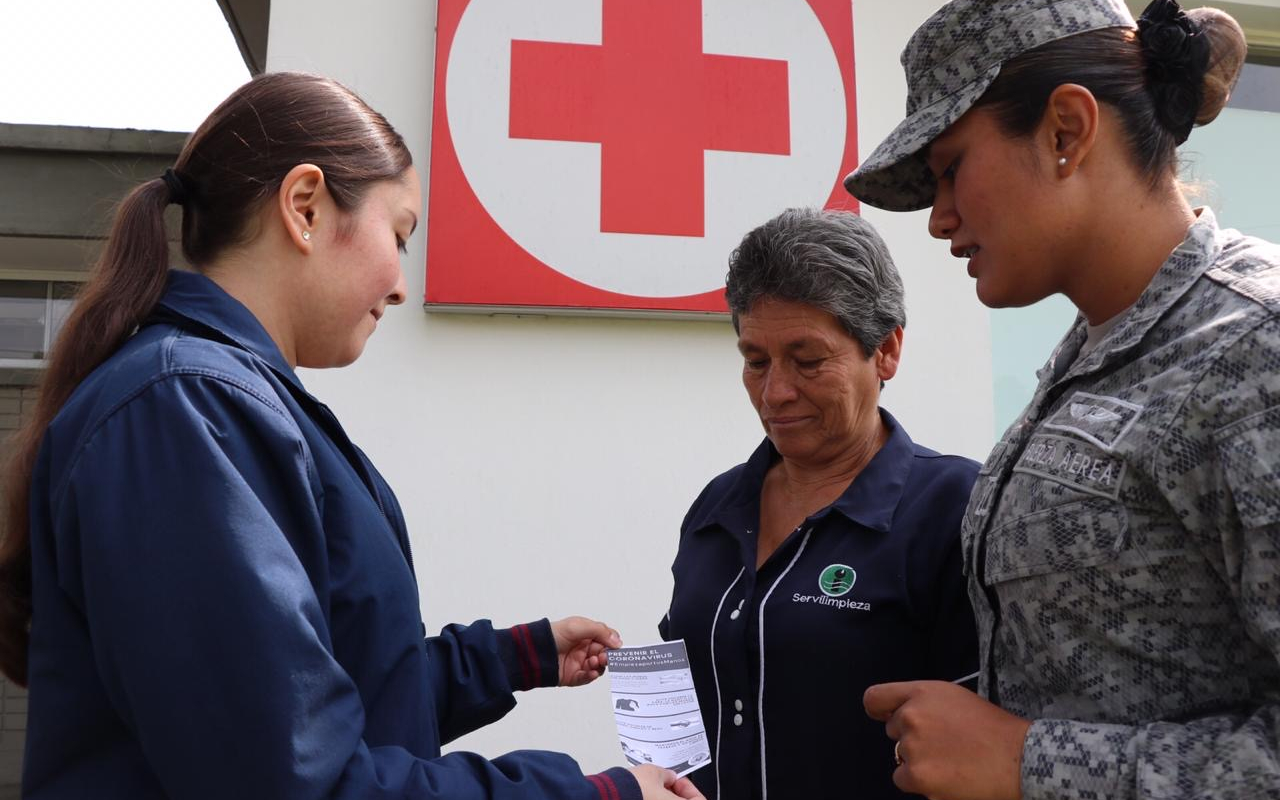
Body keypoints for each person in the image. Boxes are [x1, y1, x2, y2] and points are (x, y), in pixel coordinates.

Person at [0, 72, 702, 800]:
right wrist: (595, 794)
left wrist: (512, 658)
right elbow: (292, 774)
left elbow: (329, 689)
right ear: (304, 207)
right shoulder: (183, 411)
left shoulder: (220, 403)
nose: (400, 284)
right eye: (399, 234)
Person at [845, 1, 1277, 798]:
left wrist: (1024, 763)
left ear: (1066, 131)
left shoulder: (1253, 348)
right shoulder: (1092, 350)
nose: (940, 219)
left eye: (950, 169)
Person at [659, 208, 980, 799]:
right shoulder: (716, 508)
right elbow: (677, 704)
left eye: (808, 361)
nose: (775, 392)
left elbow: (987, 746)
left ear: (885, 351)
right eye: (755, 361)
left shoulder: (957, 510)